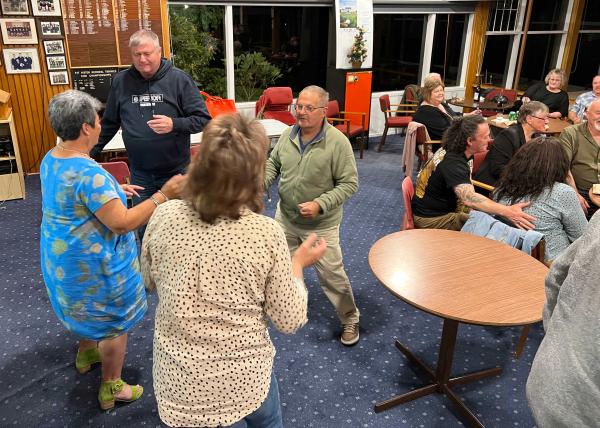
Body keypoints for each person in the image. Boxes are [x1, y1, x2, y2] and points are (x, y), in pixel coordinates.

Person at [141, 114, 326, 427]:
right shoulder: (265, 233)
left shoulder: (163, 215)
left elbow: (149, 280)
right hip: (244, 380)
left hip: (179, 382)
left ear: (201, 160)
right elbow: (290, 319)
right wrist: (297, 265)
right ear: (254, 173)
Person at [39, 90, 185, 410]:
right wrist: (163, 195)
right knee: (112, 323)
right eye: (97, 119)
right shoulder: (91, 176)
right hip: (96, 267)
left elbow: (75, 195)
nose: (100, 123)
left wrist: (113, 190)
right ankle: (112, 387)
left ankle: (86, 352)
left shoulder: (52, 157)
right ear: (86, 129)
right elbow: (122, 223)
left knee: (87, 313)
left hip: (64, 260)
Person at [264, 85, 361, 346]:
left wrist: (321, 203)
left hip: (320, 225)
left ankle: (350, 318)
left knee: (332, 275)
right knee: (278, 267)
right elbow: (274, 162)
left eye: (309, 108)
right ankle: (289, 307)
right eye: (299, 106)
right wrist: (263, 180)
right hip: (285, 217)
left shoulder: (337, 142)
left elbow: (350, 184)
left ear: (323, 111)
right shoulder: (288, 135)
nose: (301, 112)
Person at [90, 29, 211, 238]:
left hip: (177, 172)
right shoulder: (121, 81)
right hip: (141, 175)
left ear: (159, 52)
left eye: (147, 53)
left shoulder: (179, 80)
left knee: (183, 231)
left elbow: (203, 120)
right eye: (137, 55)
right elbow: (109, 122)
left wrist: (175, 124)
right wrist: (89, 152)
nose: (143, 59)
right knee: (147, 233)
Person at [526, 210, 600, 427]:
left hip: (550, 373)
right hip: (582, 408)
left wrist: (556, 337)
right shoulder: (565, 194)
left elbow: (557, 275)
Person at [412, 115, 536, 231]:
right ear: (470, 140)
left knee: (494, 220)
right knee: (495, 230)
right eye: (486, 136)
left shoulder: (459, 149)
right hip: (432, 219)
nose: (490, 140)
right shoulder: (453, 162)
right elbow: (469, 198)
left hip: (441, 208)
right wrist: (508, 211)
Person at [492, 137, 587, 262]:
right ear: (560, 165)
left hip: (509, 256)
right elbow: (583, 238)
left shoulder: (503, 186)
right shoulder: (562, 192)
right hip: (552, 265)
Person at [474, 101, 549, 186]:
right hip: (493, 185)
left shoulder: (537, 137)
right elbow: (497, 169)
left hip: (517, 183)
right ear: (529, 119)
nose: (547, 122)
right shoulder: (508, 136)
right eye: (544, 118)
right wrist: (528, 178)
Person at [559, 98, 600, 217]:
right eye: (598, 113)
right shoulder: (571, 133)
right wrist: (575, 195)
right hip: (581, 194)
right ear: (586, 113)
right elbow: (564, 168)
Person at [412, 80, 480, 141]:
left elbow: (453, 115)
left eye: (441, 90)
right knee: (476, 138)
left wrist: (469, 114)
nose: (440, 93)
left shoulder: (439, 105)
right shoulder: (426, 112)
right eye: (436, 91)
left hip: (449, 139)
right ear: (428, 94)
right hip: (442, 146)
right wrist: (469, 126)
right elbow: (446, 132)